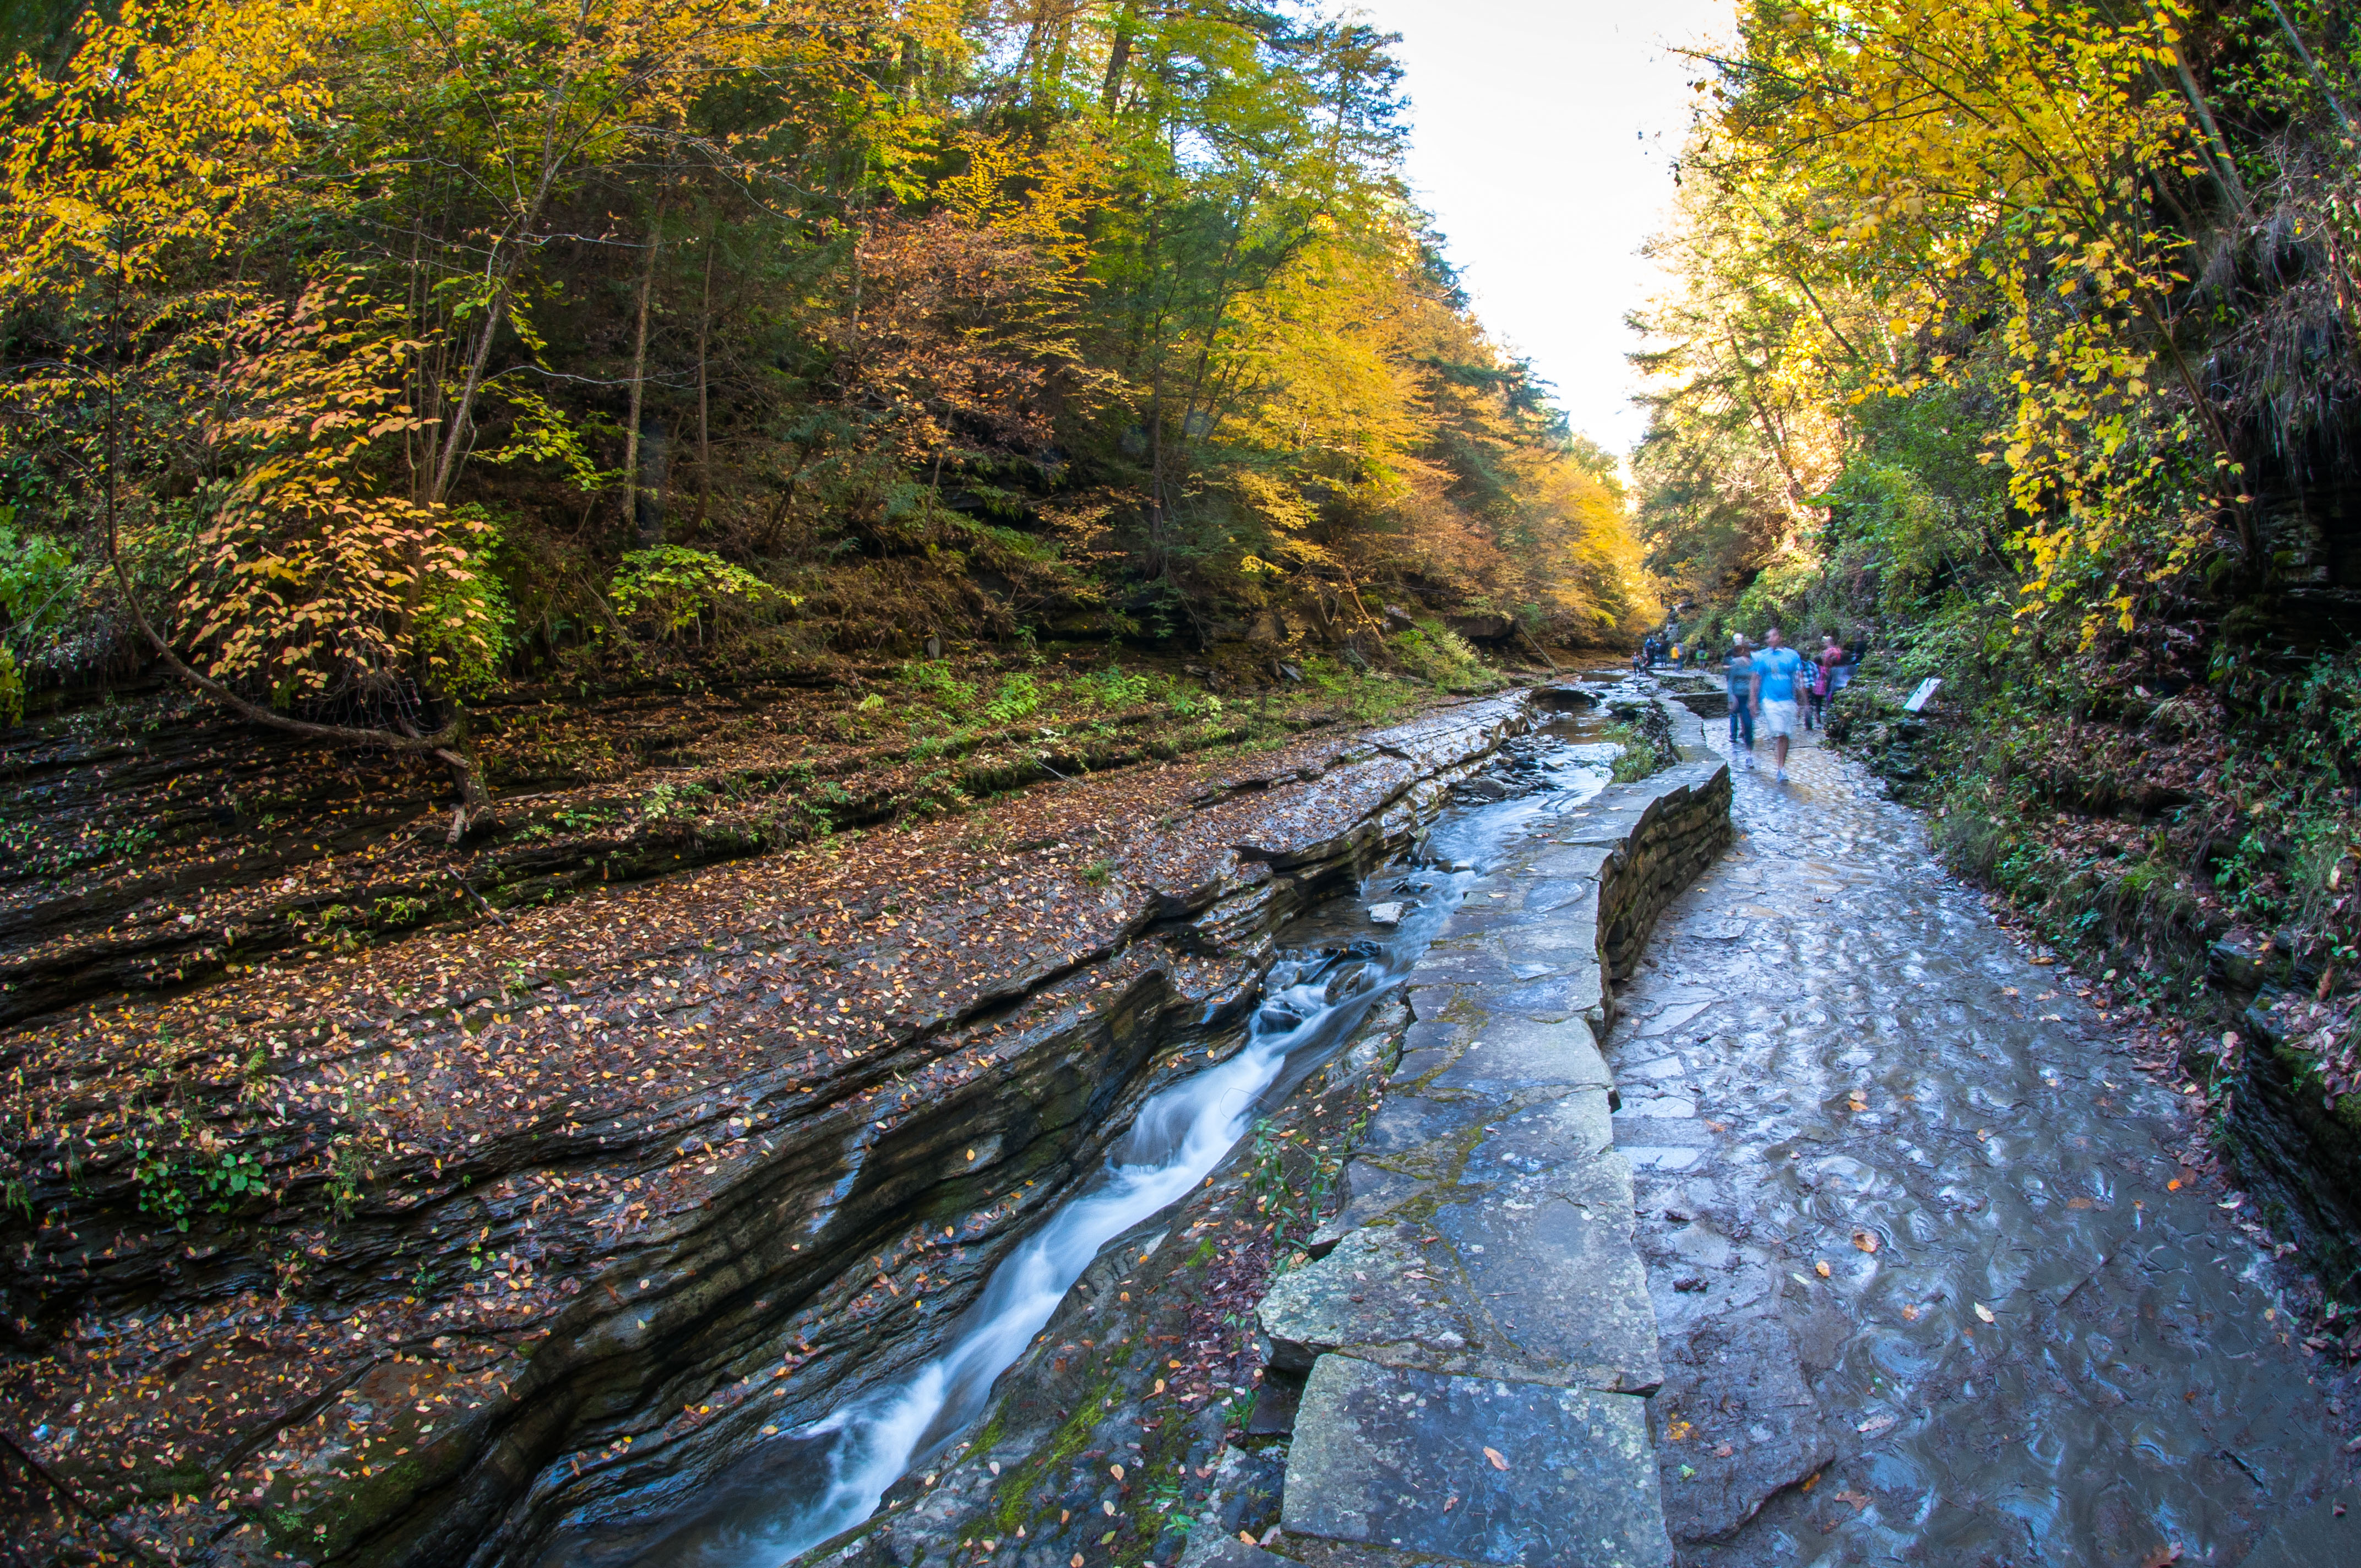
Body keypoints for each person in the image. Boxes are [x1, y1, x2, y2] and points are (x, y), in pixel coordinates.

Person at [1750, 625, 1807, 782]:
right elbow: (1756, 679)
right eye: (1768, 637)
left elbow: (1799, 680)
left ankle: (1781, 767)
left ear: (1780, 637)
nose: (1770, 640)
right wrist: (1753, 700)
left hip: (1788, 700)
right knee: (1779, 733)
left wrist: (1804, 702)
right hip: (1769, 700)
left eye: (1773, 636)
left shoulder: (1792, 656)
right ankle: (1780, 767)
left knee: (1785, 735)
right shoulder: (1762, 657)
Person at [1725, 634, 1756, 761]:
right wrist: (1731, 698)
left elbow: (1757, 681)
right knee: (1735, 717)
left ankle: (1749, 752)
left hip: (1749, 697)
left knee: (1748, 724)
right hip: (1738, 696)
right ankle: (1733, 735)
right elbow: (1731, 682)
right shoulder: (1736, 664)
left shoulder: (1754, 664)